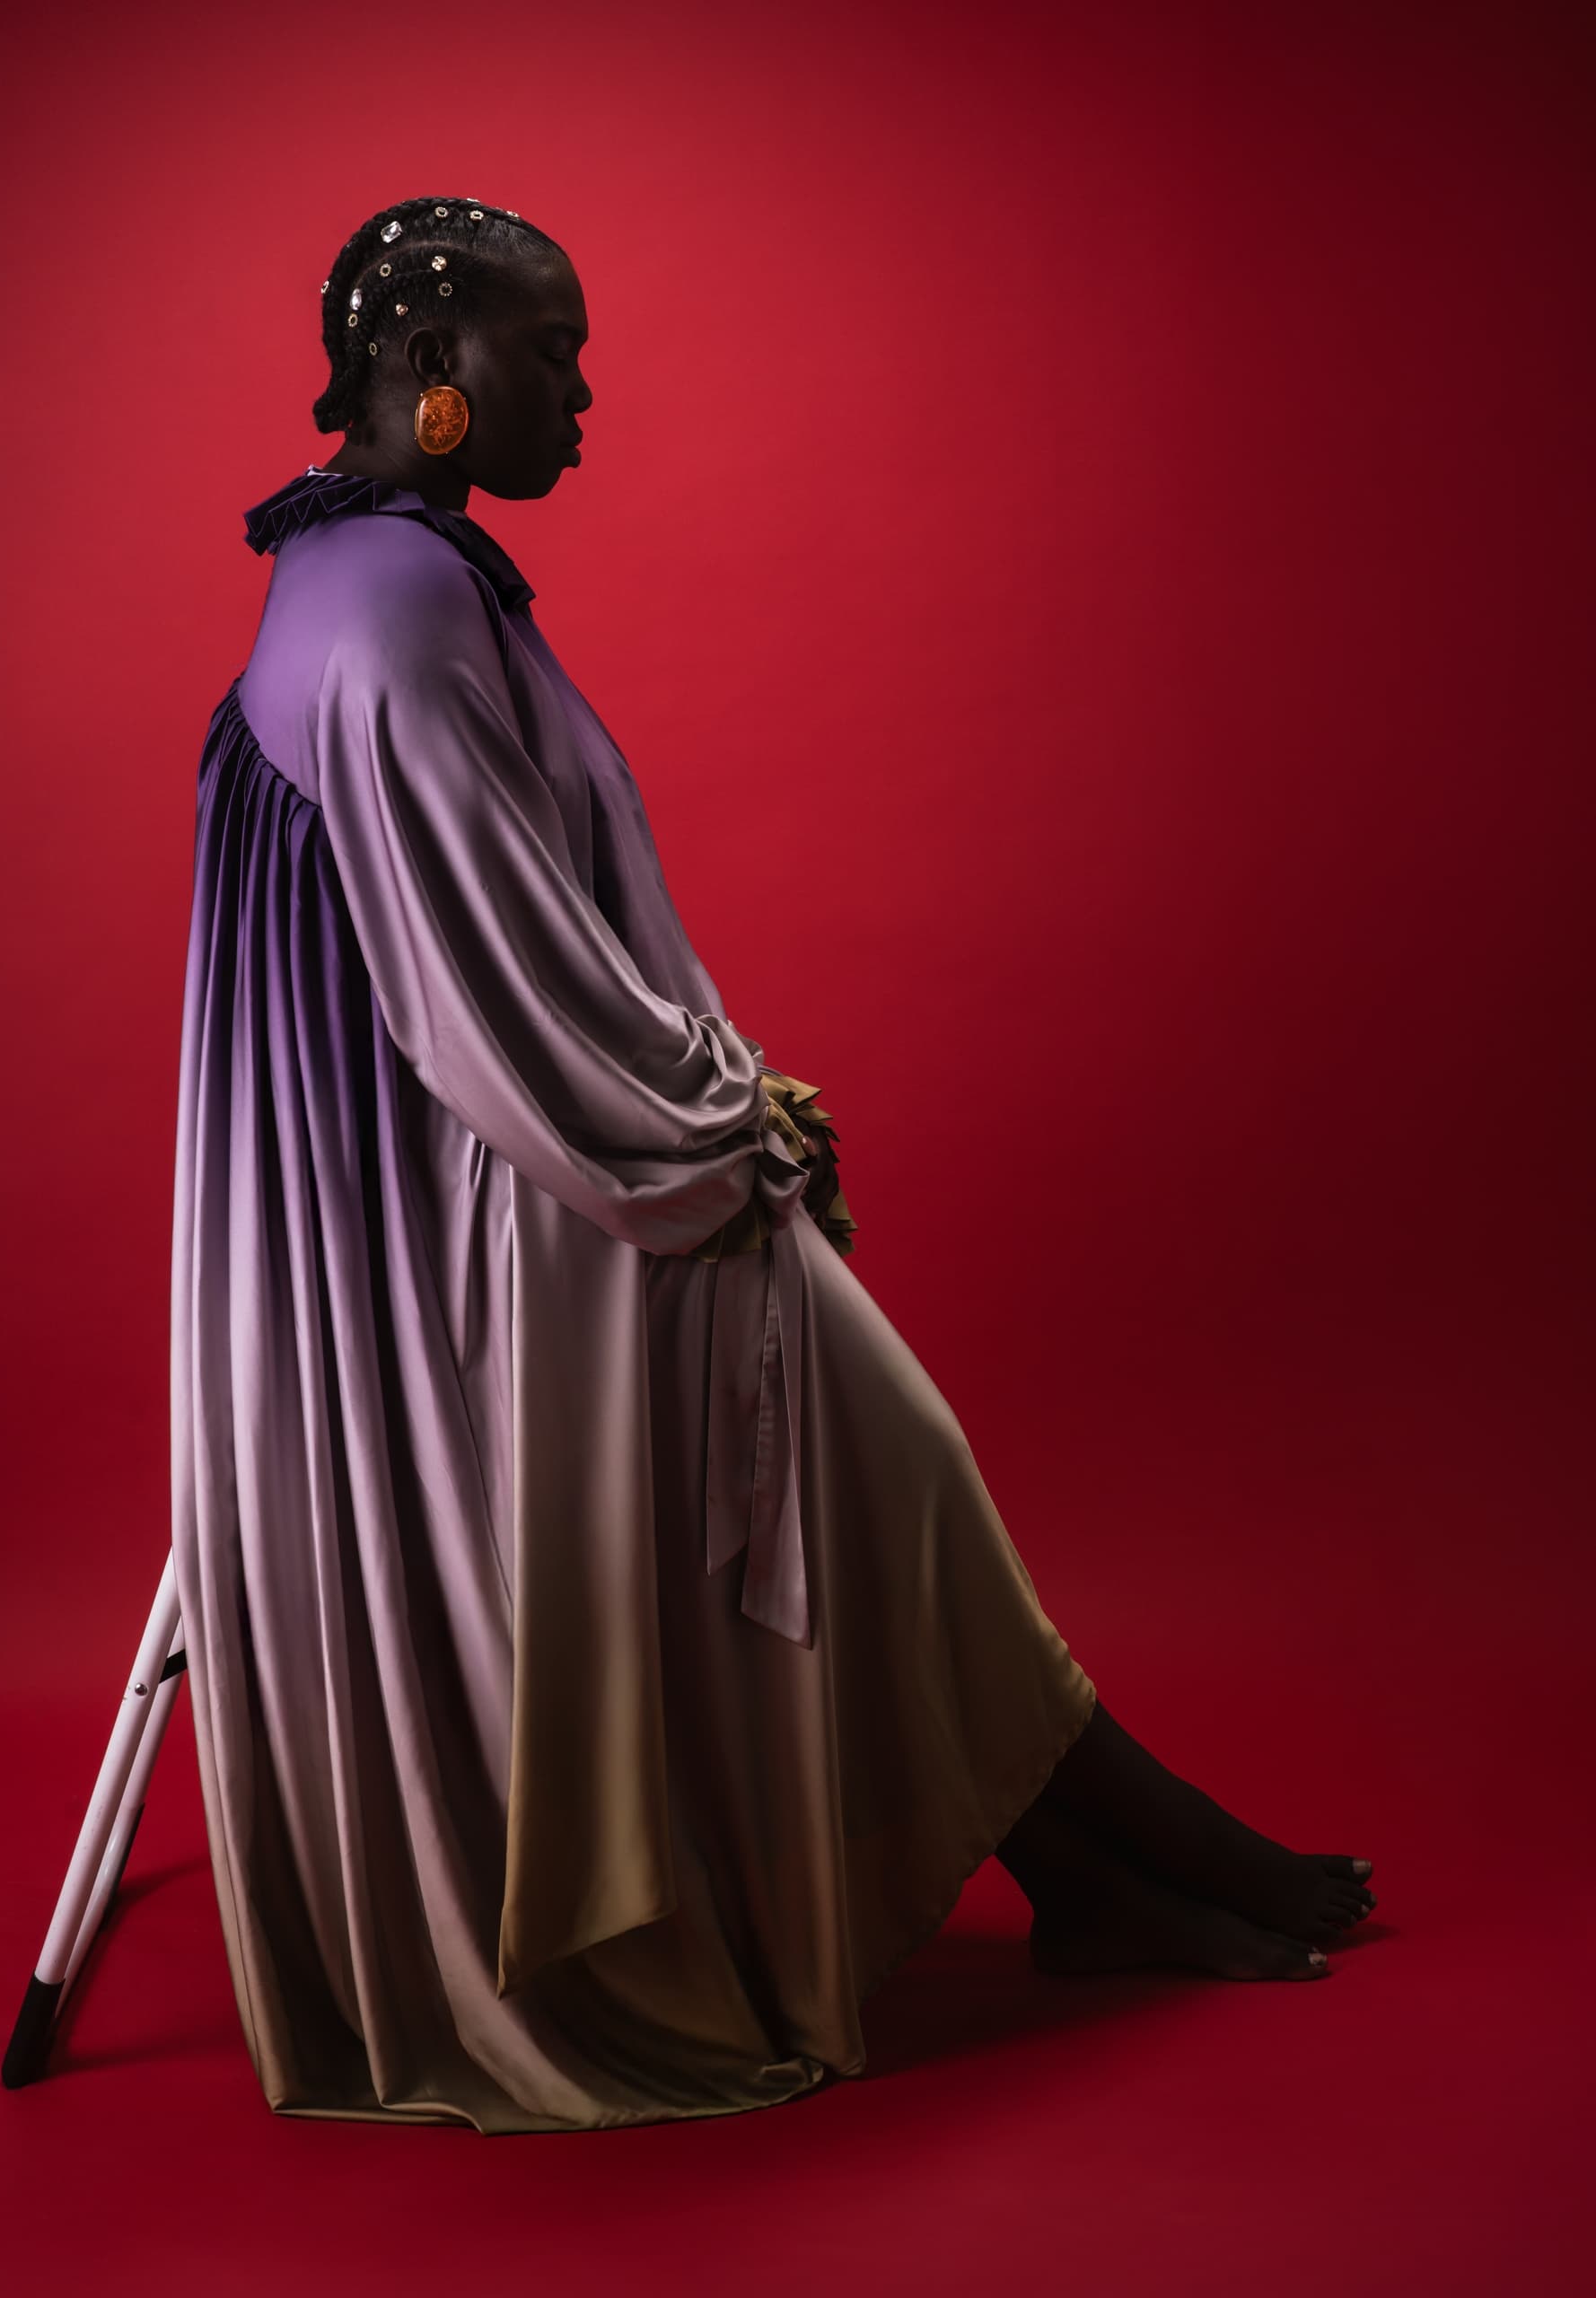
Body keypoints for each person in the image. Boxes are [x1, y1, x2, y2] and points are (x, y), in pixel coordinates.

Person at [169, 195, 1375, 2136]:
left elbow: (537, 953)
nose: (582, 386)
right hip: (476, 1235)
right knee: (880, 1437)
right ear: (430, 379)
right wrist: (727, 1135)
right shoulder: (385, 613)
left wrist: (719, 1099)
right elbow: (507, 1012)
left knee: (879, 1445)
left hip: (488, 1176)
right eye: (547, 349)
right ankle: (1120, 1852)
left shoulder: (402, 574)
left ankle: (1103, 1862)